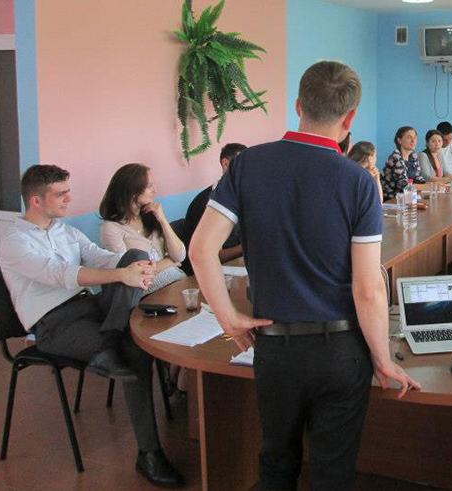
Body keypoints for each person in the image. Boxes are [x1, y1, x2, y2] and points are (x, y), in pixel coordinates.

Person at [189, 60, 419, 491]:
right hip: (341, 350)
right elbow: (368, 288)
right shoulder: (358, 182)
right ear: (349, 119)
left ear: (298, 105)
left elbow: (200, 250)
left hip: (275, 348)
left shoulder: (246, 164)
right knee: (333, 472)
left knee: (276, 464)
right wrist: (383, 358)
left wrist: (229, 319)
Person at [0, 165, 184, 488]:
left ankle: (109, 341)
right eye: (61, 194)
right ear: (36, 200)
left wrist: (138, 265)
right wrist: (122, 275)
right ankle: (150, 454)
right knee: (134, 353)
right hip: (54, 324)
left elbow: (100, 257)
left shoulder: (65, 232)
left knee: (133, 254)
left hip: (90, 309)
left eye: (68, 191)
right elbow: (61, 274)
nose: (69, 199)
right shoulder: (14, 243)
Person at [99, 163, 187, 295]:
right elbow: (132, 273)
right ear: (133, 192)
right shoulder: (111, 228)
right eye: (149, 186)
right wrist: (168, 262)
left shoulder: (151, 215)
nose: (155, 190)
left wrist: (162, 220)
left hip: (178, 281)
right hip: (148, 293)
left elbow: (179, 256)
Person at [182, 143, 246, 274]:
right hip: (204, 273)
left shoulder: (243, 197)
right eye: (243, 165)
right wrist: (246, 247)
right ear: (226, 164)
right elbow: (212, 255)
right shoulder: (207, 203)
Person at [381, 126, 426, 200]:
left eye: (415, 138)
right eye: (409, 137)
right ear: (399, 140)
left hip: (408, 197)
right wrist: (430, 187)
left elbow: (418, 178)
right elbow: (403, 185)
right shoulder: (396, 157)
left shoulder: (413, 155)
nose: (413, 141)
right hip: (392, 199)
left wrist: (433, 186)